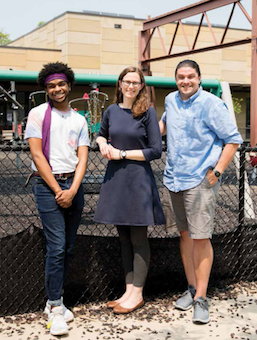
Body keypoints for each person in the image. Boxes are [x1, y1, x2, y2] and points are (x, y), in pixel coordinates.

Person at [159, 60, 243, 324]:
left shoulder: (211, 103)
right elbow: (160, 129)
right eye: (181, 77)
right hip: (174, 179)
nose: (186, 81)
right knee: (184, 236)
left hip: (199, 180)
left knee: (200, 237)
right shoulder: (171, 100)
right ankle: (192, 288)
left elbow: (233, 139)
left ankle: (202, 298)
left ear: (199, 78)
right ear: (175, 79)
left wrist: (216, 172)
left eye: (191, 76)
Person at [25, 62, 89, 336]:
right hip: (47, 185)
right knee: (57, 246)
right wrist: (57, 190)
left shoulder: (80, 119)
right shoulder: (38, 114)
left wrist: (72, 189)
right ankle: (53, 306)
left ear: (69, 85)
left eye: (61, 84)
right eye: (51, 86)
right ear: (46, 89)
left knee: (69, 247)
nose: (57, 89)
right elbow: (37, 155)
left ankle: (57, 302)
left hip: (72, 184)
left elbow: (84, 157)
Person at [94, 66, 165, 314]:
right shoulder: (111, 111)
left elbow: (155, 151)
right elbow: (100, 134)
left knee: (137, 238)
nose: (131, 86)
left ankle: (138, 294)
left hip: (138, 181)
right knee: (123, 239)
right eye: (127, 81)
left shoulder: (147, 113)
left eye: (136, 82)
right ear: (120, 84)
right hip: (116, 180)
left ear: (141, 86)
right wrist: (103, 143)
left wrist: (122, 153)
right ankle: (127, 291)